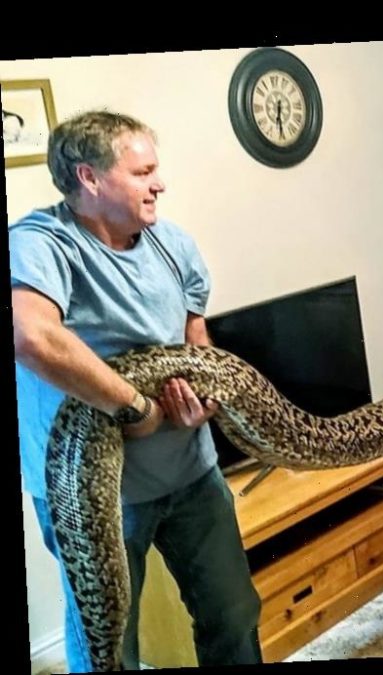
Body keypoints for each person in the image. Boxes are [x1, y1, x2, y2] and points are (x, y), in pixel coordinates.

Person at [11, 110, 263, 670]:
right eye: (143, 170)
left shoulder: (172, 243)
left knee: (233, 615)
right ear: (89, 179)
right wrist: (137, 409)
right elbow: (31, 336)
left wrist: (208, 400)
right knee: (108, 644)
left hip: (191, 475)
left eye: (157, 169)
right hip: (96, 500)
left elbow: (197, 340)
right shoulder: (42, 243)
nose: (160, 183)